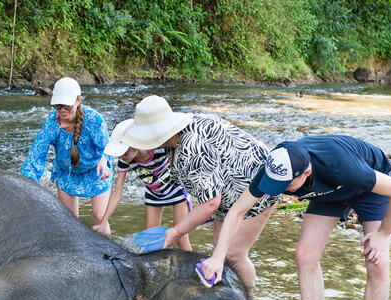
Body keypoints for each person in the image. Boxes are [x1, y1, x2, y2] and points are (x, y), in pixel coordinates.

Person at [203, 135, 391, 300]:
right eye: (277, 183)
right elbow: (237, 211)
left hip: (368, 188)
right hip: (328, 193)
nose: (281, 189)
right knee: (305, 255)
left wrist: (384, 234)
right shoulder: (273, 167)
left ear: (307, 171)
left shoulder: (339, 164)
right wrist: (218, 257)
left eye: (287, 184)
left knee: (377, 262)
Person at [115, 95, 278, 285]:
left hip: (261, 185)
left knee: (234, 254)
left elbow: (211, 202)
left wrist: (176, 232)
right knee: (219, 245)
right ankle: (231, 293)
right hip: (229, 192)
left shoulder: (192, 146)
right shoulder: (175, 141)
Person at [22, 77, 112, 229]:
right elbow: (37, 153)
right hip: (66, 173)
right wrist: (29, 184)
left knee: (100, 216)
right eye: (58, 106)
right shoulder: (52, 123)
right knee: (69, 222)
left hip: (95, 170)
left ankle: (110, 252)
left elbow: (107, 146)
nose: (62, 110)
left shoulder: (94, 119)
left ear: (78, 101)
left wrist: (104, 160)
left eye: (67, 106)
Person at [93, 120, 192, 251]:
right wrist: (103, 222)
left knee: (181, 237)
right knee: (149, 241)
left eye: (124, 153)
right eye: (119, 154)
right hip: (154, 194)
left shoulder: (159, 147)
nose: (122, 157)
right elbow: (117, 193)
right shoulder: (124, 161)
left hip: (177, 191)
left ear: (134, 143)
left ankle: (189, 269)